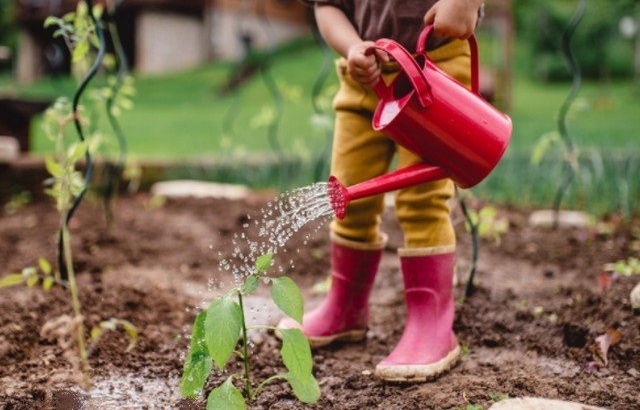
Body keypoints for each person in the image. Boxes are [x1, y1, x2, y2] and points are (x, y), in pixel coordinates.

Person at [279, 0, 485, 382]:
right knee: (348, 195)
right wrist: (352, 46)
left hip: (434, 67)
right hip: (362, 78)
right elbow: (327, 7)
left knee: (421, 200)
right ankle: (345, 306)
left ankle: (432, 323)